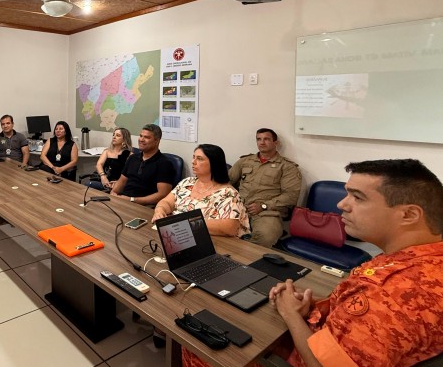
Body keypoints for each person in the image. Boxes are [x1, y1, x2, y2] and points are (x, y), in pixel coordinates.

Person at [266, 159, 443, 367]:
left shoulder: (389, 293)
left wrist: (289, 312)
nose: (342, 204)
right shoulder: (423, 260)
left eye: (357, 197)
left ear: (408, 215)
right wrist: (316, 305)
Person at [152, 144, 250, 237]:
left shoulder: (228, 193)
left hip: (213, 242)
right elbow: (166, 202)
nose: (193, 162)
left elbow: (230, 227)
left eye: (199, 159)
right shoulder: (187, 182)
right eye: (193, 157)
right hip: (180, 234)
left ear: (214, 164)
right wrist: (159, 211)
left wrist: (185, 223)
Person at [229, 128, 302, 247]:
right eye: (259, 139)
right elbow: (226, 181)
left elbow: (291, 196)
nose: (262, 142)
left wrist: (264, 205)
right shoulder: (245, 161)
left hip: (267, 212)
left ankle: (248, 263)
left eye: (266, 139)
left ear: (275, 143)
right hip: (239, 207)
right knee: (216, 226)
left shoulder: (287, 167)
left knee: (264, 238)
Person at [110, 123, 176, 205]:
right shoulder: (132, 158)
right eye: (141, 136)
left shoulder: (164, 164)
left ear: (157, 141)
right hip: (124, 201)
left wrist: (132, 200)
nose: (141, 139)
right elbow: (122, 181)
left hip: (144, 206)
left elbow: (162, 194)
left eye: (146, 137)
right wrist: (113, 193)